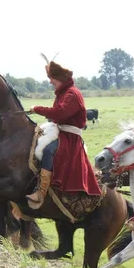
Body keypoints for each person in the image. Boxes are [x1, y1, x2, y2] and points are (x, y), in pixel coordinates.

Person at [27, 58, 102, 209]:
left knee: (48, 151)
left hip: (70, 138)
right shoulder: (63, 92)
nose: (50, 82)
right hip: (60, 132)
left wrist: (37, 109)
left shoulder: (72, 94)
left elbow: (60, 113)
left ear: (61, 79)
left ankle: (41, 193)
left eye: (52, 79)